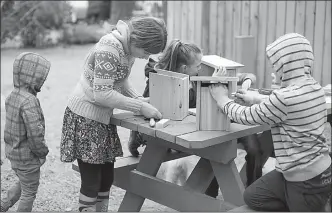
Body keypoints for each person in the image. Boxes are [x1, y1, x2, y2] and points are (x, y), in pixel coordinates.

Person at [209, 33, 331, 211]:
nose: (274, 70)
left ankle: (300, 202)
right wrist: (256, 98)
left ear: (286, 65)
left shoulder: (283, 98)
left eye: (276, 65)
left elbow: (246, 116)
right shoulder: (314, 87)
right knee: (252, 197)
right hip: (318, 170)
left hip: (305, 181)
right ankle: (294, 200)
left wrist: (222, 99)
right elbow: (286, 105)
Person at [127, 39, 260, 198]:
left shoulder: (198, 71)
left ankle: (230, 195)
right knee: (215, 149)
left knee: (244, 148)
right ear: (185, 68)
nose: (200, 68)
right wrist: (212, 83)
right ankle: (208, 197)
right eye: (198, 66)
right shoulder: (161, 80)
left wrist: (245, 82)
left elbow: (246, 75)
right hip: (175, 129)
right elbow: (156, 110)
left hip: (210, 124)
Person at [59, 16, 168, 212]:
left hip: (101, 118)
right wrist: (139, 107)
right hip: (85, 118)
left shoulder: (127, 49)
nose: (145, 57)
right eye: (146, 51)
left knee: (107, 178)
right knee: (92, 181)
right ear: (138, 39)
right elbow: (101, 94)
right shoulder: (109, 48)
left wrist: (137, 99)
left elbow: (121, 79)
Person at [1, 52, 51, 212]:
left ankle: (3, 204)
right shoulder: (29, 101)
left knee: (24, 183)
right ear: (35, 78)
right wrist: (42, 153)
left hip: (13, 153)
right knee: (29, 192)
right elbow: (34, 133)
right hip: (27, 157)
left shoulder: (12, 96)